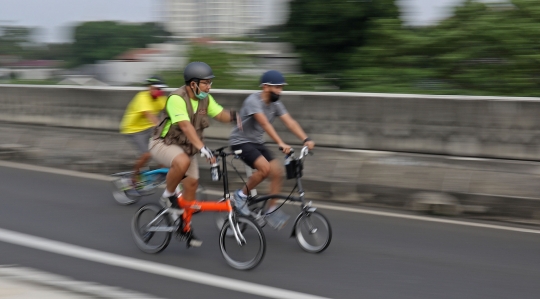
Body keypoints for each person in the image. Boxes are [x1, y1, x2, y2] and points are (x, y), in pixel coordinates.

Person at [150, 61, 237, 247]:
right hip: (163, 143)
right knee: (181, 162)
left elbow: (221, 114)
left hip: (187, 148)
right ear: (193, 84)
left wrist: (239, 117)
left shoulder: (205, 98)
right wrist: (203, 148)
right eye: (205, 83)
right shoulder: (177, 99)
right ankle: (168, 194)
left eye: (210, 83)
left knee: (192, 184)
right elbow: (185, 127)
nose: (209, 86)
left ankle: (184, 227)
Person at [230, 70, 315, 230]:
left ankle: (270, 211)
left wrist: (305, 138)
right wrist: (281, 143)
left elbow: (290, 122)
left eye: (281, 88)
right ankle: (240, 196)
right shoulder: (253, 101)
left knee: (277, 172)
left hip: (256, 142)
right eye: (277, 87)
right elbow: (265, 124)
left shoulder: (276, 104)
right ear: (265, 87)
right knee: (265, 168)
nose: (280, 91)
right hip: (240, 142)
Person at [119, 75, 168, 194]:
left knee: (162, 149)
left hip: (148, 128)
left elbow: (170, 111)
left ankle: (162, 173)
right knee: (147, 154)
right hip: (133, 129)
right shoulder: (142, 98)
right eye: (157, 88)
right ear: (149, 88)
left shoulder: (161, 98)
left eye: (161, 89)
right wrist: (160, 126)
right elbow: (149, 115)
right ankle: (133, 179)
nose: (159, 91)